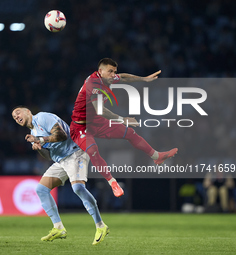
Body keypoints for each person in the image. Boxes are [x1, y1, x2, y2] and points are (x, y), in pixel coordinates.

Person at [70, 58, 178, 197]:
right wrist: (122, 119)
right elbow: (100, 110)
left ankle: (156, 156)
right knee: (93, 150)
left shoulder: (107, 78)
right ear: (100, 71)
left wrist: (144, 79)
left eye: (114, 71)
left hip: (96, 122)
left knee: (130, 133)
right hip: (80, 126)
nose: (113, 75)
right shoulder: (93, 83)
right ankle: (113, 183)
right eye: (110, 72)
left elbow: (123, 77)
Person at [12, 106, 109, 245]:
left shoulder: (42, 117)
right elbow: (48, 155)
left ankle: (100, 226)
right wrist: (39, 147)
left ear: (28, 111)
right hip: (61, 161)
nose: (16, 117)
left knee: (78, 188)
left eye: (18, 113)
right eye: (14, 117)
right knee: (41, 189)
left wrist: (41, 140)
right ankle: (58, 228)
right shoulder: (33, 132)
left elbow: (62, 135)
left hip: (75, 153)